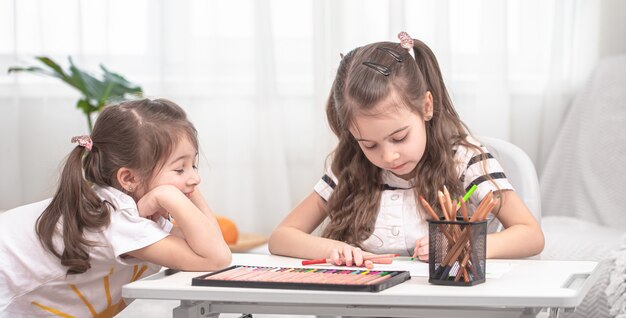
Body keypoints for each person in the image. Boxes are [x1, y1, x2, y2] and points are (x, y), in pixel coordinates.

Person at [268, 32, 544, 269]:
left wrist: (464, 245)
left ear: (426, 106)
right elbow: (282, 236)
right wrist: (332, 250)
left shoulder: (464, 160)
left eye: (399, 138)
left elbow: (530, 235)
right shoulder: (350, 166)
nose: (388, 157)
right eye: (369, 145)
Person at [0, 99, 231, 317]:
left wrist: (188, 190)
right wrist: (168, 193)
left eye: (194, 165)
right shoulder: (118, 218)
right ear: (128, 178)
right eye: (180, 169)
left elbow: (211, 245)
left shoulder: (133, 209)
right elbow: (216, 258)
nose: (195, 178)